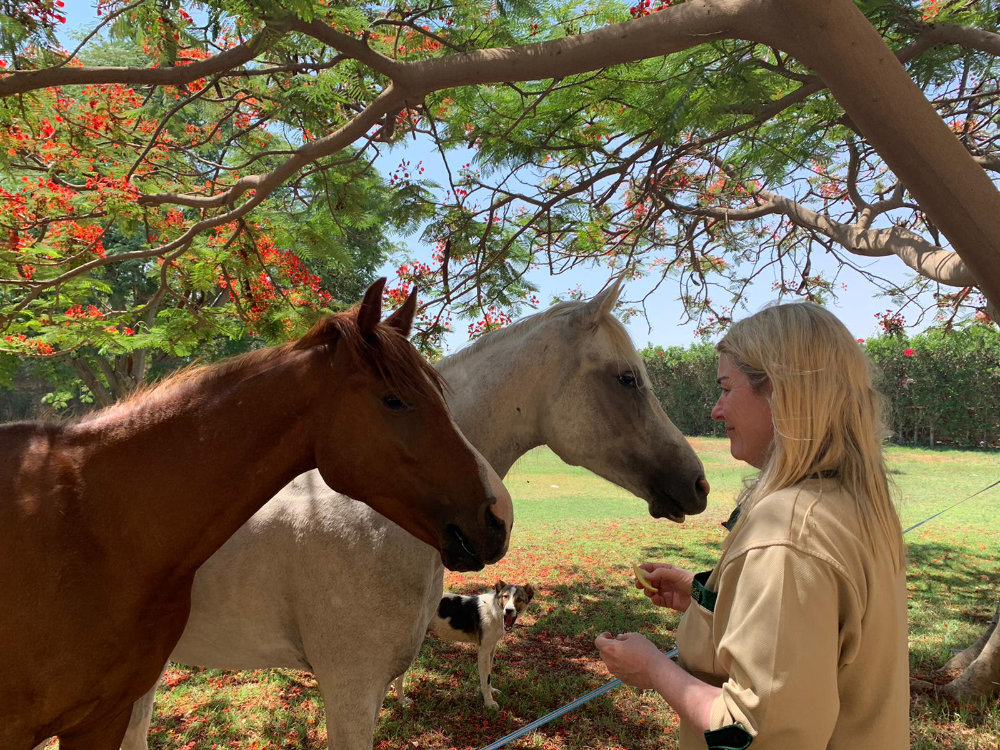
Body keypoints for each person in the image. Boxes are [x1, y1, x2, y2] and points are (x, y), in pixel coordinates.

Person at [595, 302, 909, 749]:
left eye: (727, 388)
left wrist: (651, 668)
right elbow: (819, 648)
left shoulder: (786, 535)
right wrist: (711, 602)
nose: (717, 411)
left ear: (781, 391)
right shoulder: (855, 505)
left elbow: (752, 733)